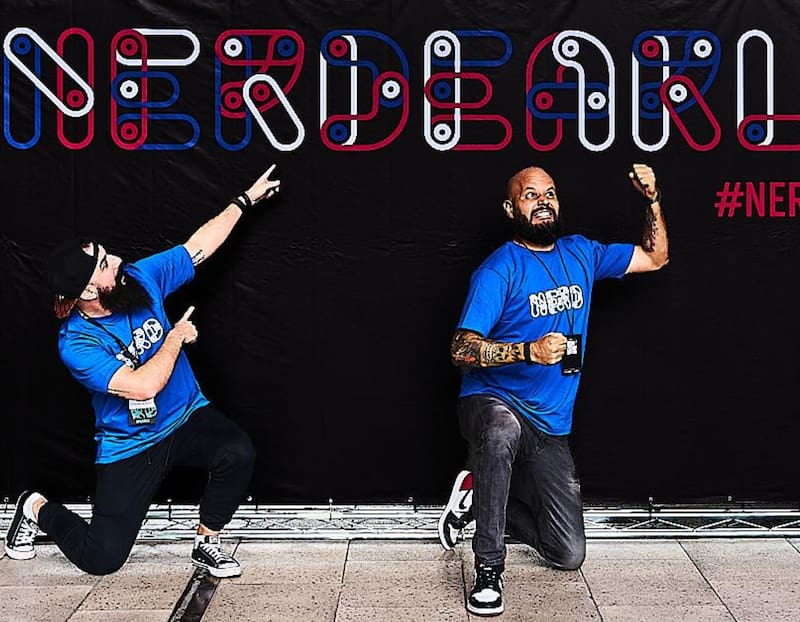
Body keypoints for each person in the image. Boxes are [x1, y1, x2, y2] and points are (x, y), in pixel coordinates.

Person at [4, 165, 281, 578]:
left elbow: (197, 247)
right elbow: (142, 386)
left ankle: (207, 541)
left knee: (237, 452)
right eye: (104, 263)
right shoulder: (77, 344)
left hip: (186, 416)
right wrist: (176, 336)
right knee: (101, 559)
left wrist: (244, 200)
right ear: (87, 291)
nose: (117, 260)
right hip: (131, 444)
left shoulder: (138, 279)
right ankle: (34, 506)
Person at [437, 163, 668, 616]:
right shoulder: (499, 269)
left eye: (550, 193)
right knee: (501, 430)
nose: (542, 201)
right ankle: (488, 569)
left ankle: (478, 498)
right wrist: (528, 351)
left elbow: (655, 257)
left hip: (549, 422)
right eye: (530, 195)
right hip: (494, 401)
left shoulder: (582, 253)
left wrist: (652, 200)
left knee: (567, 553)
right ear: (511, 209)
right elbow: (460, 349)